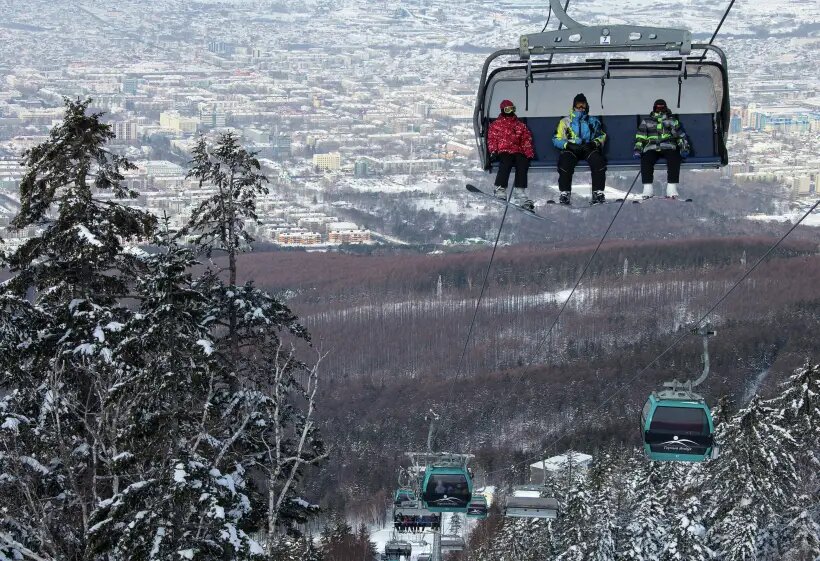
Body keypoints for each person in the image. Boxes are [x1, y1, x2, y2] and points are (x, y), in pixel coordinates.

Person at [552, 93, 608, 205]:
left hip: (588, 147)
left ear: (587, 106)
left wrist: (594, 143)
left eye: (583, 105)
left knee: (598, 161)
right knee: (565, 162)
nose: (581, 108)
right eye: (578, 105)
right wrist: (567, 145)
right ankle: (565, 193)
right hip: (572, 148)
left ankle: (597, 192)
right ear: (574, 106)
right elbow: (556, 139)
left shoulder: (593, 121)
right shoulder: (565, 122)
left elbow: (602, 136)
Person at [633, 98, 691, 199]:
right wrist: (638, 150)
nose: (660, 110)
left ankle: (671, 188)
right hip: (652, 146)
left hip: (668, 145)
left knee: (674, 158)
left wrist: (684, 148)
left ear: (665, 108)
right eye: (657, 108)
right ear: (654, 109)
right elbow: (640, 137)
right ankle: (647, 189)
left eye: (662, 108)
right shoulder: (647, 121)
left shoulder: (672, 121)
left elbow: (680, 136)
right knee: (646, 159)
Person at [487, 99, 536, 210]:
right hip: (503, 150)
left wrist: (528, 153)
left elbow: (526, 139)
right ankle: (500, 188)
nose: (510, 112)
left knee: (522, 162)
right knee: (506, 162)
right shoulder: (496, 125)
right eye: (507, 109)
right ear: (502, 110)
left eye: (512, 109)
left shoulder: (519, 125)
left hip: (517, 150)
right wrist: (493, 151)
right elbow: (492, 139)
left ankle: (520, 191)